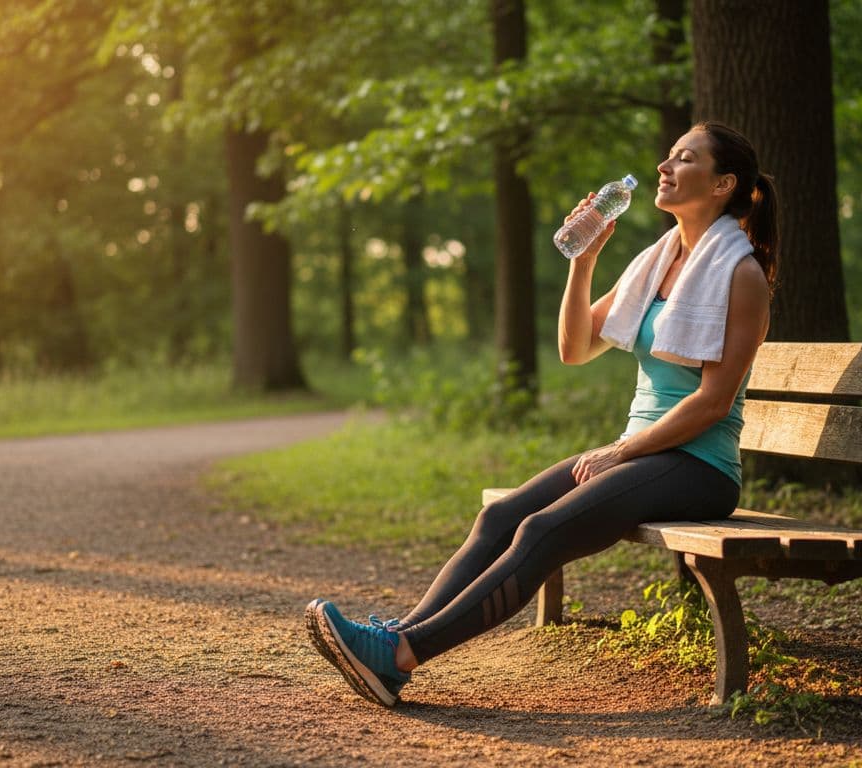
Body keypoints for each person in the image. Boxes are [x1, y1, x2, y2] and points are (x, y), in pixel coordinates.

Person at [305, 121, 778, 707]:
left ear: (722, 184)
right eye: (668, 155)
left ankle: (401, 656)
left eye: (684, 159)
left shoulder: (741, 274)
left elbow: (713, 402)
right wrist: (583, 260)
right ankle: (396, 639)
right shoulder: (657, 264)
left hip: (698, 466)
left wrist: (619, 451)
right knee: (502, 515)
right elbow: (575, 348)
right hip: (643, 452)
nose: (664, 166)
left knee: (541, 530)